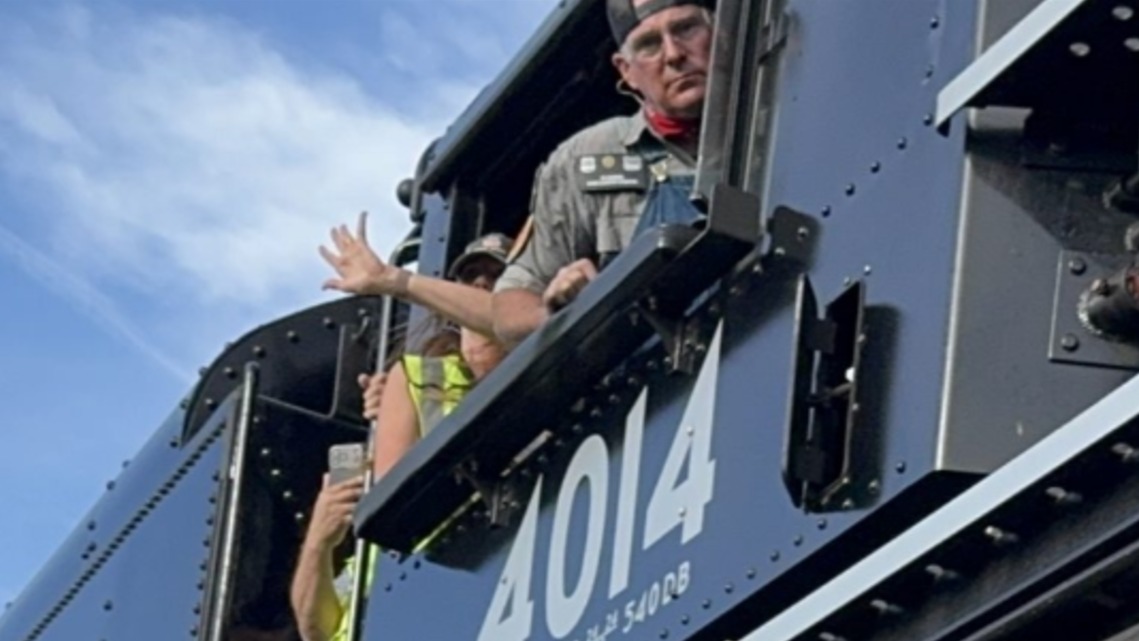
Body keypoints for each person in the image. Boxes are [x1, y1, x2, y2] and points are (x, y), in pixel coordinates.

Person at [289, 217, 512, 641]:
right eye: (469, 278)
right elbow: (315, 630)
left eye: (496, 277)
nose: (480, 285)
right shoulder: (416, 377)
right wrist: (319, 541)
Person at [492, 0, 715, 347]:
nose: (673, 54)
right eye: (649, 44)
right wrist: (557, 309)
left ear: (719, 31)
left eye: (686, 28)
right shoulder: (586, 157)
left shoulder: (780, 107)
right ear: (626, 70)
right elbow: (508, 307)